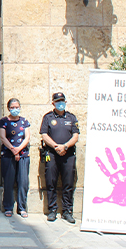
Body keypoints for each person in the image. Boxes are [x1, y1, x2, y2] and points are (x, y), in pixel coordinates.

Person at [40, 92, 79, 224]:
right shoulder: (48, 117)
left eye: (62, 100)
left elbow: (75, 136)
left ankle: (67, 211)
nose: (60, 103)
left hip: (68, 155)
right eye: (58, 101)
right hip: (52, 154)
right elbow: (44, 134)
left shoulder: (72, 117)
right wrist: (56, 146)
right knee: (51, 182)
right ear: (53, 103)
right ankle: (52, 210)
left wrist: (65, 147)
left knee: (68, 184)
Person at [0, 97, 31, 218]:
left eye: (17, 107)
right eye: (12, 107)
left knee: (23, 182)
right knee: (8, 182)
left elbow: (27, 137)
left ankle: (22, 208)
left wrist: (19, 149)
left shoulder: (24, 121)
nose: (15, 109)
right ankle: (8, 207)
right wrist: (13, 149)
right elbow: (3, 137)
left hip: (23, 155)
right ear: (8, 108)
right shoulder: (3, 121)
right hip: (8, 155)